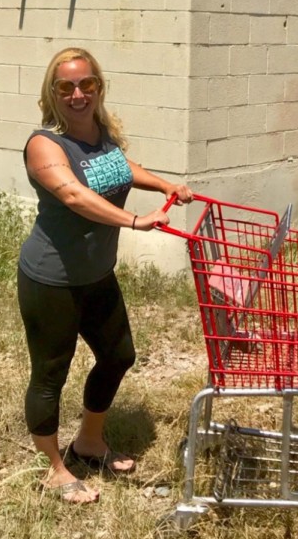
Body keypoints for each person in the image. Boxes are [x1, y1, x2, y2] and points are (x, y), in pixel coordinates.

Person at [18, 46, 193, 504]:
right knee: (50, 373)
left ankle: (89, 443)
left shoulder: (100, 133)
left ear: (98, 87)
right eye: (66, 87)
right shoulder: (45, 144)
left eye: (87, 84)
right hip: (52, 279)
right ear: (52, 93)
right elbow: (74, 195)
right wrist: (135, 221)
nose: (78, 94)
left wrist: (164, 183)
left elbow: (118, 168)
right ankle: (54, 469)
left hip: (97, 274)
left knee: (119, 356)